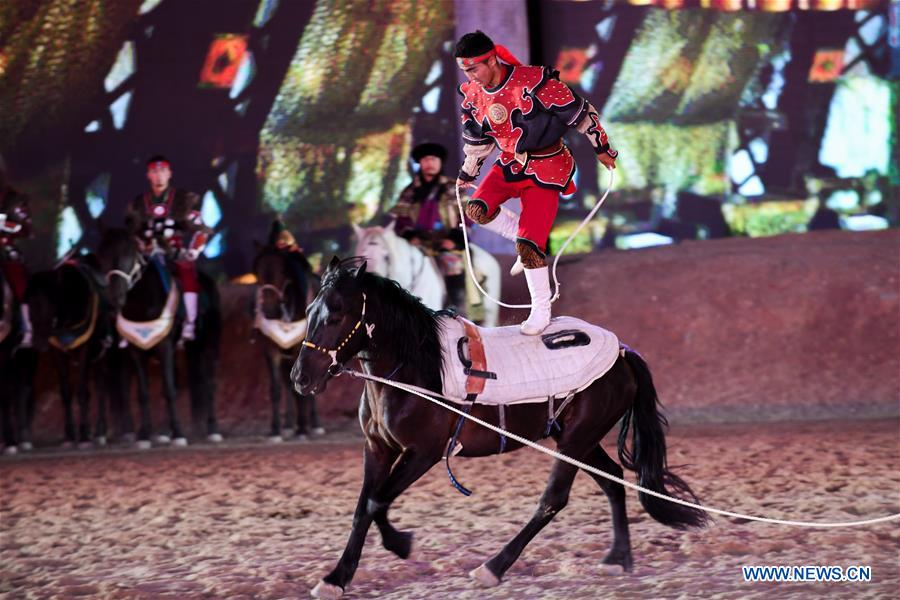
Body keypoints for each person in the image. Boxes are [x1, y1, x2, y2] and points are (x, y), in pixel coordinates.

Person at [455, 30, 617, 335]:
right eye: (465, 71)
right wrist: (468, 172)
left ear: (491, 59)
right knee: (477, 210)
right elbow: (478, 141)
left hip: (548, 168)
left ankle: (541, 310)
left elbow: (581, 115)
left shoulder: (534, 82)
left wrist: (603, 149)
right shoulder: (474, 94)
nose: (470, 76)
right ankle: (524, 239)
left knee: (530, 248)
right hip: (510, 164)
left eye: (473, 68)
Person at [125, 155, 212, 341]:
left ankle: (190, 322)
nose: (159, 176)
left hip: (174, 252)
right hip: (145, 254)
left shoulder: (183, 200)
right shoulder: (138, 203)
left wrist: (193, 251)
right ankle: (123, 325)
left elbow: (201, 230)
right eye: (154, 172)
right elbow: (131, 232)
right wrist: (138, 244)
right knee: (123, 277)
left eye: (163, 171)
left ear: (170, 174)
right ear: (148, 175)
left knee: (187, 273)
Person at [390, 142, 471, 315]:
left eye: (434, 159)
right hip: (419, 243)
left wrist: (455, 238)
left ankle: (458, 308)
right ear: (420, 163)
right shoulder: (410, 191)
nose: (430, 163)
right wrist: (410, 235)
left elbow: (467, 214)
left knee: (452, 265)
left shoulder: (452, 187)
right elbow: (401, 218)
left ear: (440, 162)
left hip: (447, 242)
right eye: (426, 159)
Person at [0, 166, 33, 347]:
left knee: (18, 281)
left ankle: (26, 325)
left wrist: (4, 224)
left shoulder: (14, 199)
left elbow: (26, 229)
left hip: (5, 251)